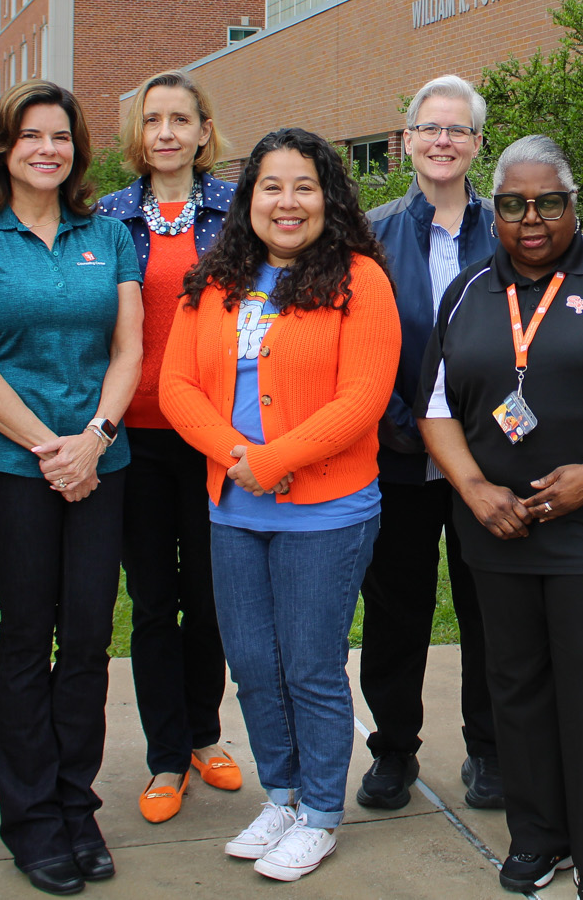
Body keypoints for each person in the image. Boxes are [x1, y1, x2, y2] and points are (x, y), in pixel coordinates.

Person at [417, 135, 583, 900]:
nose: (531, 218)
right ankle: (537, 835)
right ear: (493, 209)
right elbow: (436, 405)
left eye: (549, 202)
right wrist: (472, 488)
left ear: (573, 205)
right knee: (516, 679)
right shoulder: (470, 288)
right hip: (498, 525)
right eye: (513, 204)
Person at [159, 127, 401, 882]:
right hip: (234, 509)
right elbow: (177, 387)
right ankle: (283, 794)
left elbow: (363, 397)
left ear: (328, 196)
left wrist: (273, 460)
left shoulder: (361, 278)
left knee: (311, 665)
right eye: (272, 186)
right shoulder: (214, 279)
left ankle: (321, 812)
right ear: (248, 196)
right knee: (254, 664)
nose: (287, 202)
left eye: (304, 186)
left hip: (327, 512)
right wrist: (240, 462)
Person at [0, 81, 143, 897]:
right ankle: (29, 817)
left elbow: (128, 350)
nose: (47, 149)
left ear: (77, 150)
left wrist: (92, 441)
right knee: (27, 636)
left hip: (101, 463)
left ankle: (74, 804)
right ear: (4, 147)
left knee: (89, 636)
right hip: (17, 468)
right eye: (31, 136)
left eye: (61, 136)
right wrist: (48, 447)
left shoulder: (110, 235)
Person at [95, 70, 241, 824]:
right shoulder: (109, 218)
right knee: (153, 600)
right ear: (137, 134)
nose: (166, 132)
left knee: (210, 597)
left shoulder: (236, 212)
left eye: (181, 118)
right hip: (133, 438)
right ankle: (164, 753)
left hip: (212, 436)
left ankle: (205, 734)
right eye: (152, 119)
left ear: (203, 131)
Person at [360, 75, 502, 813]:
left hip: (484, 462)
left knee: (490, 611)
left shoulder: (508, 227)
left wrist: (477, 440)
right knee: (395, 609)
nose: (444, 140)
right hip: (396, 457)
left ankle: (490, 749)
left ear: (479, 143)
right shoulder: (371, 231)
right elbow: (354, 339)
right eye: (430, 127)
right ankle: (393, 749)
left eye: (459, 129)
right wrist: (402, 423)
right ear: (407, 138)